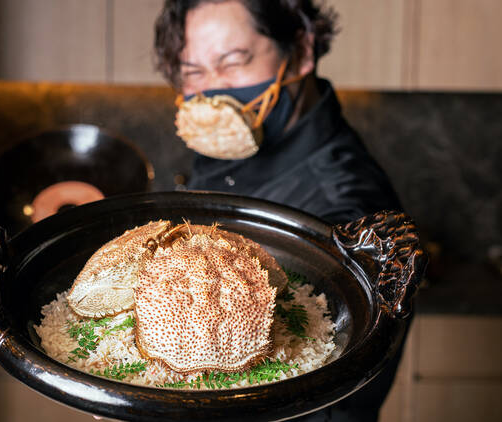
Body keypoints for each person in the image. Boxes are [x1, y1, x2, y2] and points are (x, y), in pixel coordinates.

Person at [154, 1, 406, 421]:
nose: (212, 91)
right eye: (193, 71)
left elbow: (327, 403)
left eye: (233, 62)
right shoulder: (224, 154)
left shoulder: (344, 208)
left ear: (302, 51)